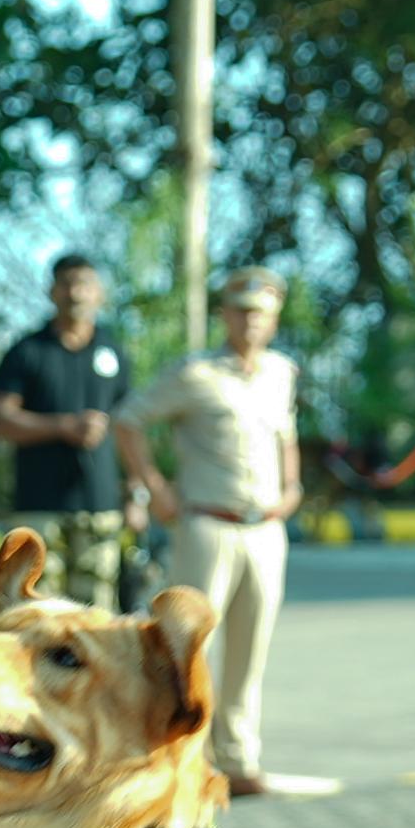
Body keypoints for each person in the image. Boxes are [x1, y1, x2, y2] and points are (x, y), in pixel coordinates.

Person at [119, 265, 301, 794]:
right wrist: (155, 487)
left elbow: (285, 434)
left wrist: (292, 486)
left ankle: (238, 759)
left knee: (250, 650)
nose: (251, 323)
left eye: (261, 314)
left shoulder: (280, 372)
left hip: (264, 528)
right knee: (188, 647)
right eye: (241, 312)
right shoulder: (195, 373)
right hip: (207, 525)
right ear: (225, 315)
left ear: (274, 320)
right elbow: (128, 421)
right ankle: (182, 755)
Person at [0, 252, 135, 607]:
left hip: (100, 507)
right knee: (37, 612)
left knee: (96, 616)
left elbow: (129, 427)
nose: (76, 293)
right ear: (52, 291)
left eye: (85, 284)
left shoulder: (114, 352)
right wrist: (63, 426)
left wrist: (136, 492)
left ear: (100, 293)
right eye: (67, 284)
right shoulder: (26, 351)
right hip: (40, 506)